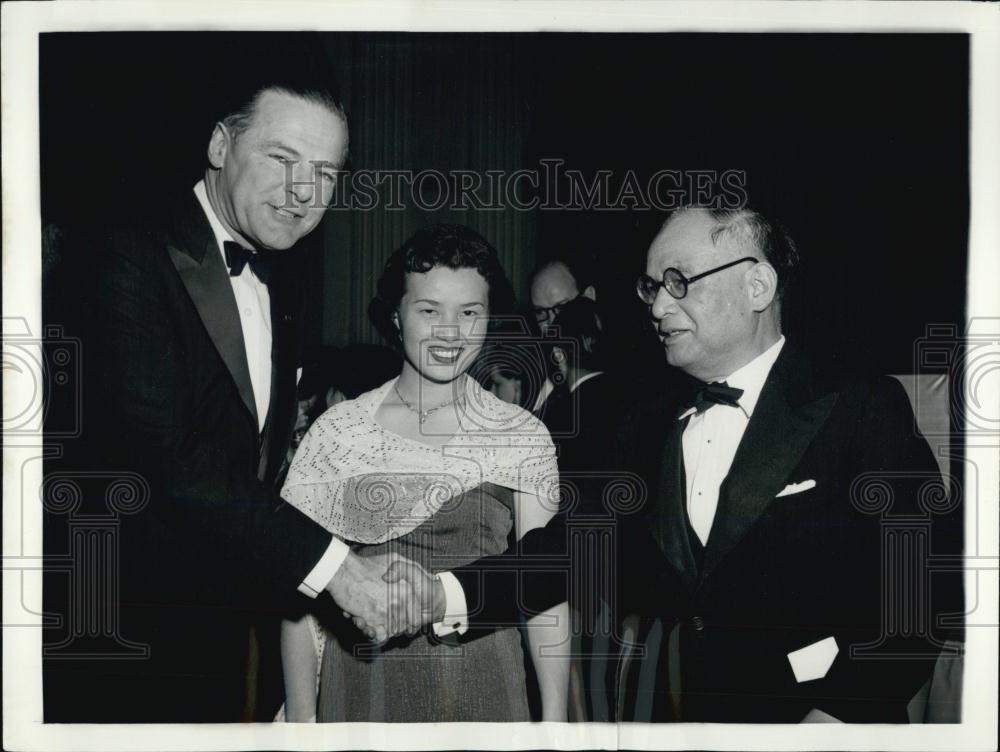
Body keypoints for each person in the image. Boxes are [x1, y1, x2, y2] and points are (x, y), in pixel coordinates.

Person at [44, 80, 424, 722]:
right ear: (221, 145)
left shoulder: (285, 279)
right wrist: (339, 571)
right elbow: (171, 459)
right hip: (110, 627)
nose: (304, 193)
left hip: (220, 627)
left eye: (325, 174)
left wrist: (355, 542)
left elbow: (258, 467)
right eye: (282, 159)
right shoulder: (121, 251)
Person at [614, 206, 959, 722]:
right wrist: (454, 592)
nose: (659, 304)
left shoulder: (861, 407)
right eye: (652, 286)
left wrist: (839, 711)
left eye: (678, 280)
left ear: (757, 286)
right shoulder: (645, 425)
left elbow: (926, 585)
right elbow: (573, 547)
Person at [279, 224, 570, 722]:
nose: (449, 332)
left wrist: (555, 721)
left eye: (469, 312)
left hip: (486, 694)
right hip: (362, 695)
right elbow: (298, 596)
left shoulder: (521, 435)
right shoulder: (338, 433)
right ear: (396, 314)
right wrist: (304, 728)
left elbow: (543, 591)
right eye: (429, 310)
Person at [529, 258, 599, 417]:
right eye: (540, 312)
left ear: (589, 298)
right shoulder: (535, 380)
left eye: (562, 308)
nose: (552, 325)